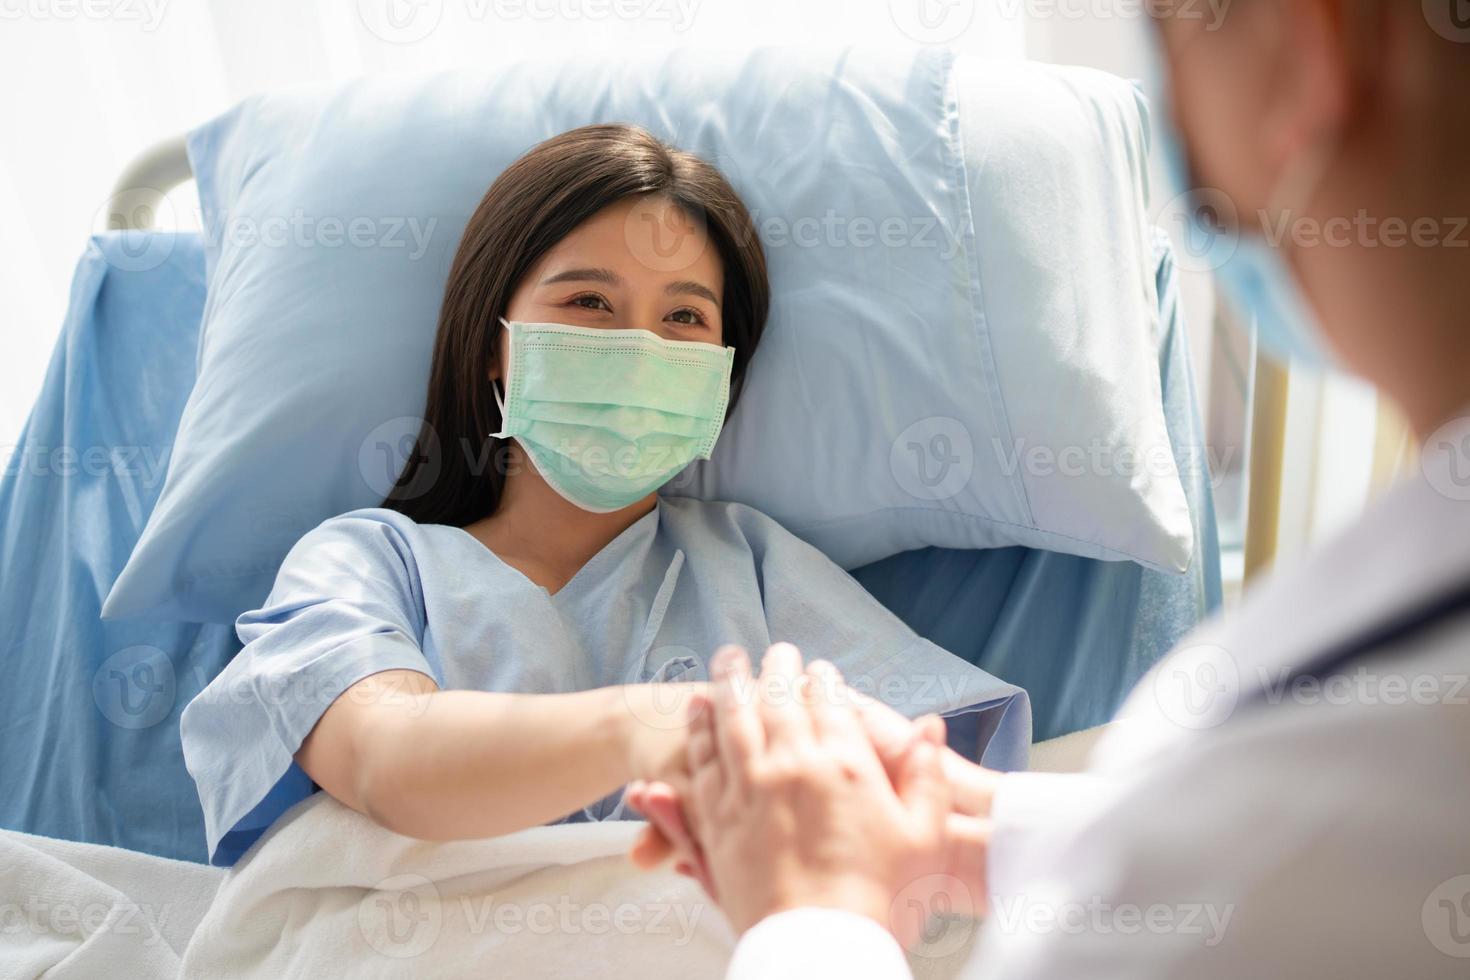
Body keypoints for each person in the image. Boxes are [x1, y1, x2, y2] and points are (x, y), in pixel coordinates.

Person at [627, 1, 1470, 975]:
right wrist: (973, 828)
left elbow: (1238, 852)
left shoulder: (742, 553)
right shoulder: (402, 548)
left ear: (1306, 47)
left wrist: (813, 909)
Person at [178, 124, 1021, 866]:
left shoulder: (752, 566)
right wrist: (668, 726)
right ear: (493, 345)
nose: (639, 350)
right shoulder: (371, 563)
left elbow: (931, 783)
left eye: (685, 318)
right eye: (589, 301)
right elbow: (383, 759)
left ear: (723, 373)